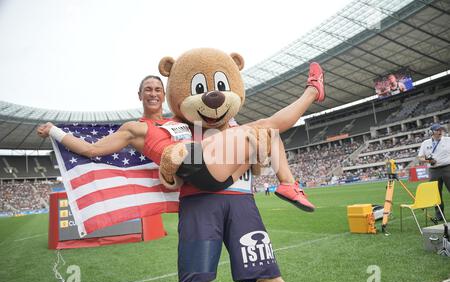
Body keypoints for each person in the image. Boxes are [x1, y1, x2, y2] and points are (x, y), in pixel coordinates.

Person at [37, 63, 325, 212]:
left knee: (268, 130)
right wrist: (55, 131)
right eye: (148, 89)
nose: (153, 93)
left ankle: (289, 184)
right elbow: (91, 150)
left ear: (166, 95)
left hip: (218, 172)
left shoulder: (182, 119)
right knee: (255, 130)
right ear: (139, 95)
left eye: (158, 89)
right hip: (193, 167)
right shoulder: (135, 128)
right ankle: (313, 91)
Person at [418, 123, 450, 223]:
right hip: (433, 170)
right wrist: (429, 161)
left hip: (447, 168)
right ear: (432, 132)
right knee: (436, 194)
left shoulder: (448, 140)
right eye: (437, 130)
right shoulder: (425, 143)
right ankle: (439, 215)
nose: (440, 132)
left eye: (441, 130)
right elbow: (420, 157)